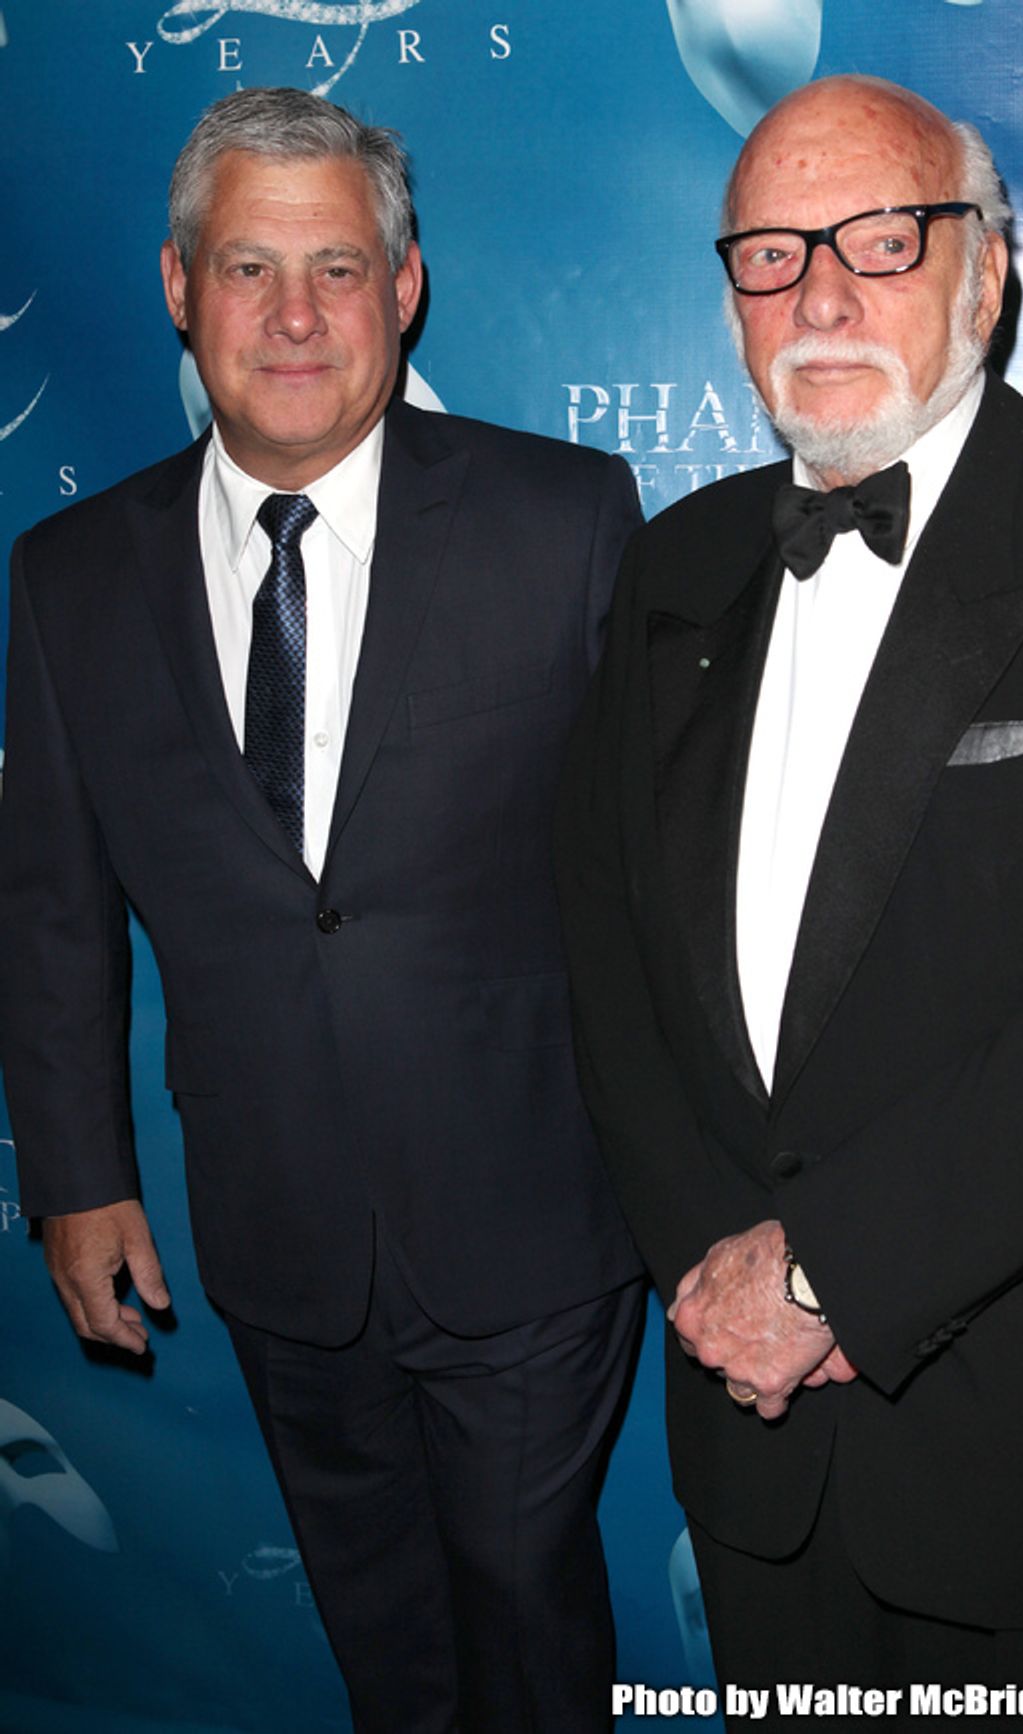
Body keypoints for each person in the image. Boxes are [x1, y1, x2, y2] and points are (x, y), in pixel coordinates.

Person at [555, 74, 1023, 1725]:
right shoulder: (675, 563)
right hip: (763, 1476)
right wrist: (723, 1283)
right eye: (772, 252)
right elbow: (613, 965)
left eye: (882, 239)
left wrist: (829, 1275)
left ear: (987, 272)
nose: (822, 291)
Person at [0, 86, 644, 1734]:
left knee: (525, 1624)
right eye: (250, 267)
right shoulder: (70, 574)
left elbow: (664, 884)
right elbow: (55, 909)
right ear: (176, 286)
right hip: (274, 1232)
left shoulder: (566, 521)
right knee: (386, 1647)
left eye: (339, 269)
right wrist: (76, 1179)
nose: (294, 316)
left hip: (532, 1228)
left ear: (405, 288)